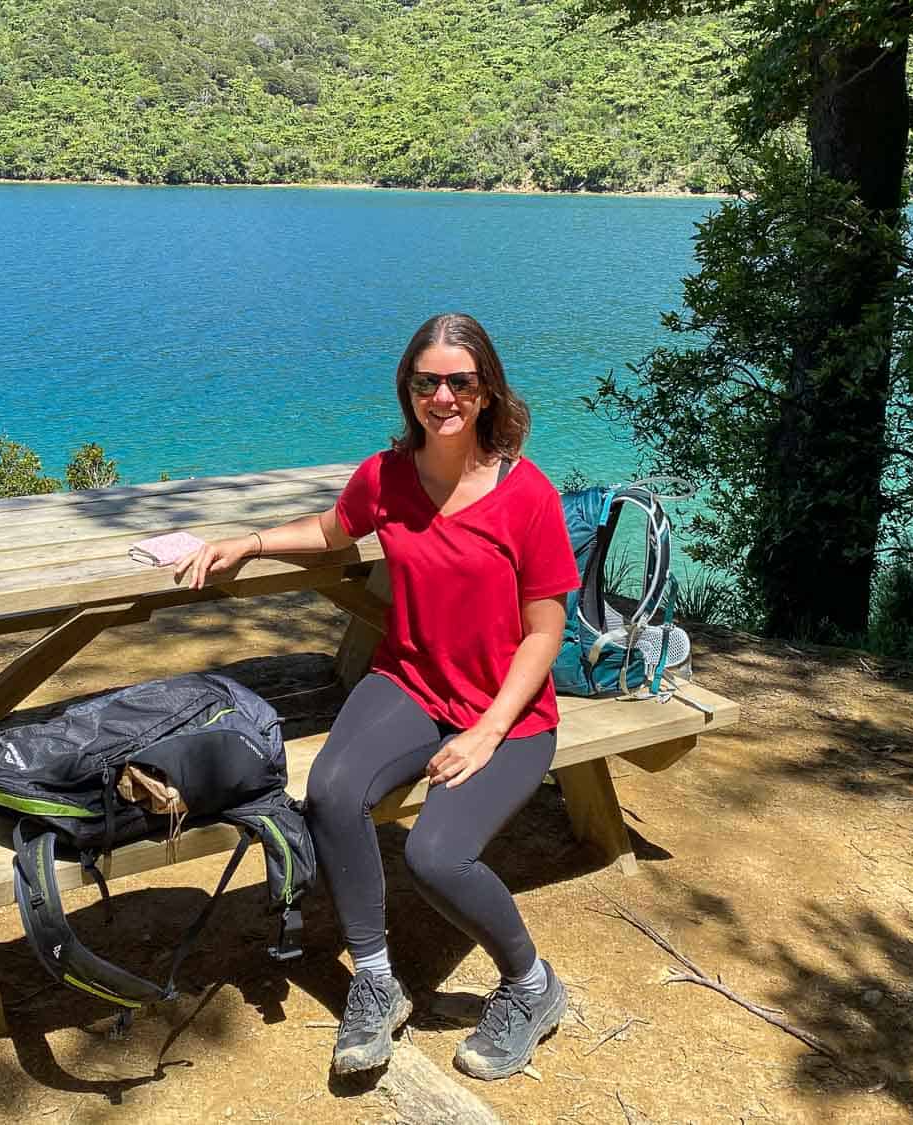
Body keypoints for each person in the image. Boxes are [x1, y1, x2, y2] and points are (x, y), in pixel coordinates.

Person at [173, 312, 579, 1081]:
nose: (443, 396)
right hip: (409, 682)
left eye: (460, 381)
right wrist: (246, 542)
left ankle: (533, 985)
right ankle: (375, 978)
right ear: (410, 390)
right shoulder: (387, 476)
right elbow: (333, 527)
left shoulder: (526, 496)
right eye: (427, 381)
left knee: (435, 853)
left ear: (488, 390)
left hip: (510, 713)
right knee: (329, 789)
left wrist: (487, 733)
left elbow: (544, 633)